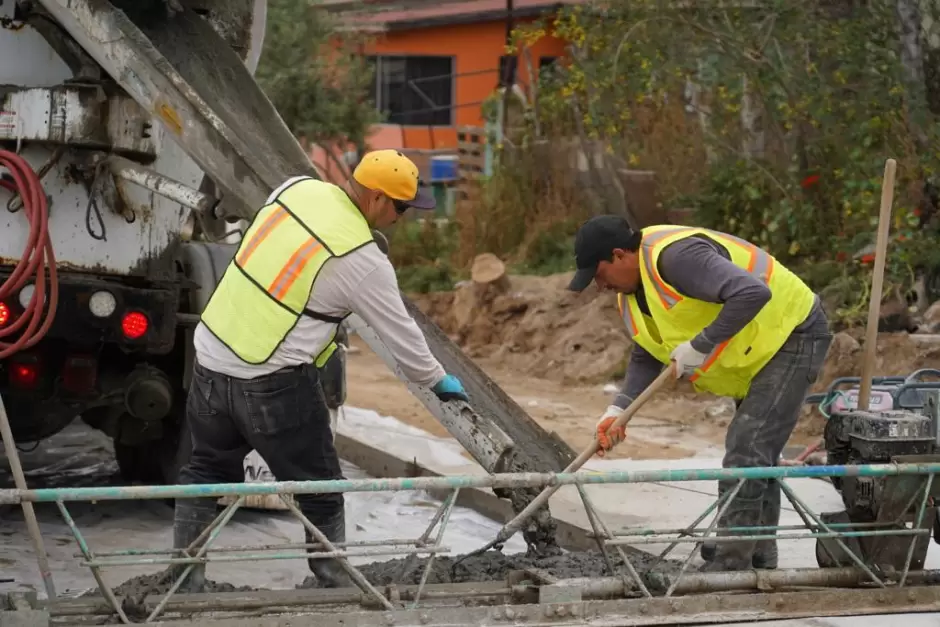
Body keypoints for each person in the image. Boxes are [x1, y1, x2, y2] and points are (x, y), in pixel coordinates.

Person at [171, 150, 470, 590]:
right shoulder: (362, 258)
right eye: (402, 208)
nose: (402, 217)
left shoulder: (296, 189)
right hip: (272, 383)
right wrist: (437, 381)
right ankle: (332, 578)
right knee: (320, 485)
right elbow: (400, 335)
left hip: (211, 359)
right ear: (377, 199)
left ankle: (185, 579)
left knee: (205, 470)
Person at [567, 215, 832, 572]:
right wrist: (618, 409)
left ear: (619, 255)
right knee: (757, 451)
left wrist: (702, 344)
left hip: (792, 332)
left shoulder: (676, 258)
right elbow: (647, 352)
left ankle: (730, 561)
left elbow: (754, 292)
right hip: (754, 351)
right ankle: (756, 552)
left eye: (599, 275)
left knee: (748, 445)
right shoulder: (629, 296)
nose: (600, 286)